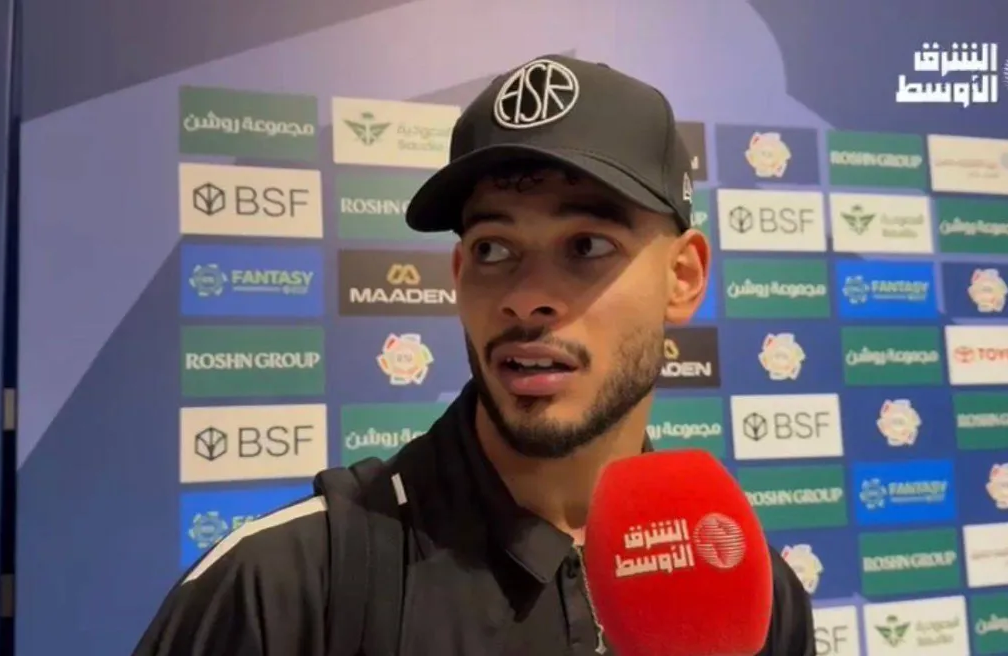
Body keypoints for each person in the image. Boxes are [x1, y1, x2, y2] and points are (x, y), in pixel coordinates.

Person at [134, 54, 815, 656]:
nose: (526, 298)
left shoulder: (752, 598)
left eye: (586, 246)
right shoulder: (281, 589)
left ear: (683, 277)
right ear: (460, 272)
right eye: (494, 249)